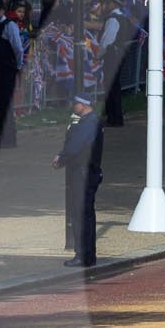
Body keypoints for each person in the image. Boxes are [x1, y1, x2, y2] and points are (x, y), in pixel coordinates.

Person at [53, 95, 103, 268]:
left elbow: (74, 147)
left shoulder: (87, 124)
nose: (73, 106)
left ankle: (82, 254)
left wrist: (60, 159)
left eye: (75, 104)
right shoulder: (93, 122)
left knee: (80, 216)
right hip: (89, 173)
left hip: (81, 175)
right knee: (86, 215)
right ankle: (88, 255)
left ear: (83, 105)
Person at [0, 1, 24, 149]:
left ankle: (8, 138)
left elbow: (18, 48)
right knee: (1, 104)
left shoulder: (10, 25)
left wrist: (18, 66)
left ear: (3, 10)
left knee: (5, 104)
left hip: (7, 69)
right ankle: (6, 137)